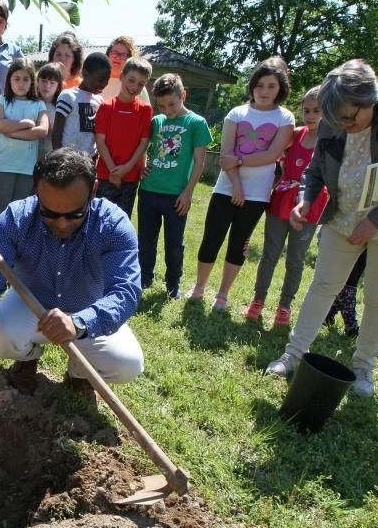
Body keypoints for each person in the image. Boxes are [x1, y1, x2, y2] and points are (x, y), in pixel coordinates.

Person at [266, 59, 378, 397]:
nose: (343, 126)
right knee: (323, 284)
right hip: (344, 218)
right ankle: (293, 355)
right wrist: (306, 199)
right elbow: (316, 170)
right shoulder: (335, 118)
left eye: (350, 118)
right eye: (335, 120)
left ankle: (363, 370)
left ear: (371, 100)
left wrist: (375, 222)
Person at [0, 147, 144, 403]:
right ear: (36, 191)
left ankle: (79, 373)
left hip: (87, 313)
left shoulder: (113, 225)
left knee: (126, 363)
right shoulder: (15, 219)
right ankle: (26, 361)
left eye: (74, 214)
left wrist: (79, 323)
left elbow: (126, 293)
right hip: (31, 306)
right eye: (49, 213)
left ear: (93, 191)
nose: (61, 224)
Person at [190, 56, 295, 310]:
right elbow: (225, 156)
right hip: (226, 188)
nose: (264, 91)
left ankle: (223, 294)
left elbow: (271, 156)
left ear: (280, 89)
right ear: (252, 86)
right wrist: (236, 184)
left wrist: (236, 161)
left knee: (239, 244)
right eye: (260, 85)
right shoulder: (236, 113)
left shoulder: (285, 118)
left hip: (258, 195)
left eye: (271, 86)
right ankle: (199, 287)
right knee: (212, 238)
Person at [245, 87, 330, 326]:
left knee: (295, 259)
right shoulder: (295, 134)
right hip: (281, 201)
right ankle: (258, 299)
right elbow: (271, 146)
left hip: (310, 206)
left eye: (317, 111)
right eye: (307, 110)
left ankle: (285, 306)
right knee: (270, 254)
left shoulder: (330, 141)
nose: (311, 115)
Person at [138, 73, 212, 299]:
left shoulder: (196, 123)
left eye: (172, 104)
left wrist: (188, 193)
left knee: (174, 243)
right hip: (149, 190)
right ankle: (144, 278)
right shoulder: (156, 121)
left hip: (176, 196)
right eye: (161, 106)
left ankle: (173, 283)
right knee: (146, 240)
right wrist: (142, 166)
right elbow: (142, 146)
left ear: (183, 95)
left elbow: (200, 161)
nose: (167, 110)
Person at [93, 56, 153, 218]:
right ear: (121, 77)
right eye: (131, 80)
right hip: (106, 175)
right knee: (101, 220)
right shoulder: (106, 107)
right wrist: (113, 170)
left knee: (122, 220)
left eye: (141, 84)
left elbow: (144, 142)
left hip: (131, 177)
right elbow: (100, 141)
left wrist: (127, 168)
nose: (134, 86)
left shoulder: (145, 109)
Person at [0, 58, 48, 219]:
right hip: (3, 164)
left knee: (21, 208)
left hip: (27, 165)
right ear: (9, 80)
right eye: (16, 78)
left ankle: (16, 242)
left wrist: (12, 133)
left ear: (32, 81)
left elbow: (42, 130)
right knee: (2, 207)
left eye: (26, 79)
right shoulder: (0, 101)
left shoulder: (38, 104)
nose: (21, 84)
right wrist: (26, 123)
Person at [52, 52, 110, 155]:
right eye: (101, 80)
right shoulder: (68, 96)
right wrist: (58, 158)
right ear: (85, 74)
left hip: (89, 160)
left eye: (107, 80)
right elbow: (56, 132)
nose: (104, 84)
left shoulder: (100, 102)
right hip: (68, 159)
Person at [101, 36, 148, 102]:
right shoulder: (96, 82)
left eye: (123, 55)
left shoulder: (137, 86)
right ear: (108, 55)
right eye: (114, 53)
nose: (117, 57)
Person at [35, 62, 63, 164]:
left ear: (58, 86)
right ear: (37, 81)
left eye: (52, 83)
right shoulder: (31, 103)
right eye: (44, 81)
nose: (47, 86)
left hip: (51, 156)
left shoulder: (61, 107)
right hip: (30, 154)